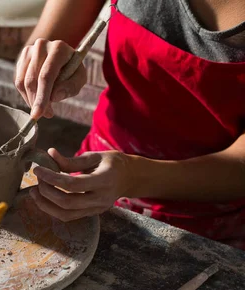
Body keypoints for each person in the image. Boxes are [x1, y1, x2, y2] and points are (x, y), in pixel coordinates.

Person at [15, 0, 245, 249]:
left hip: (209, 216)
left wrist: (132, 176)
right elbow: (47, 40)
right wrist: (47, 62)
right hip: (94, 170)